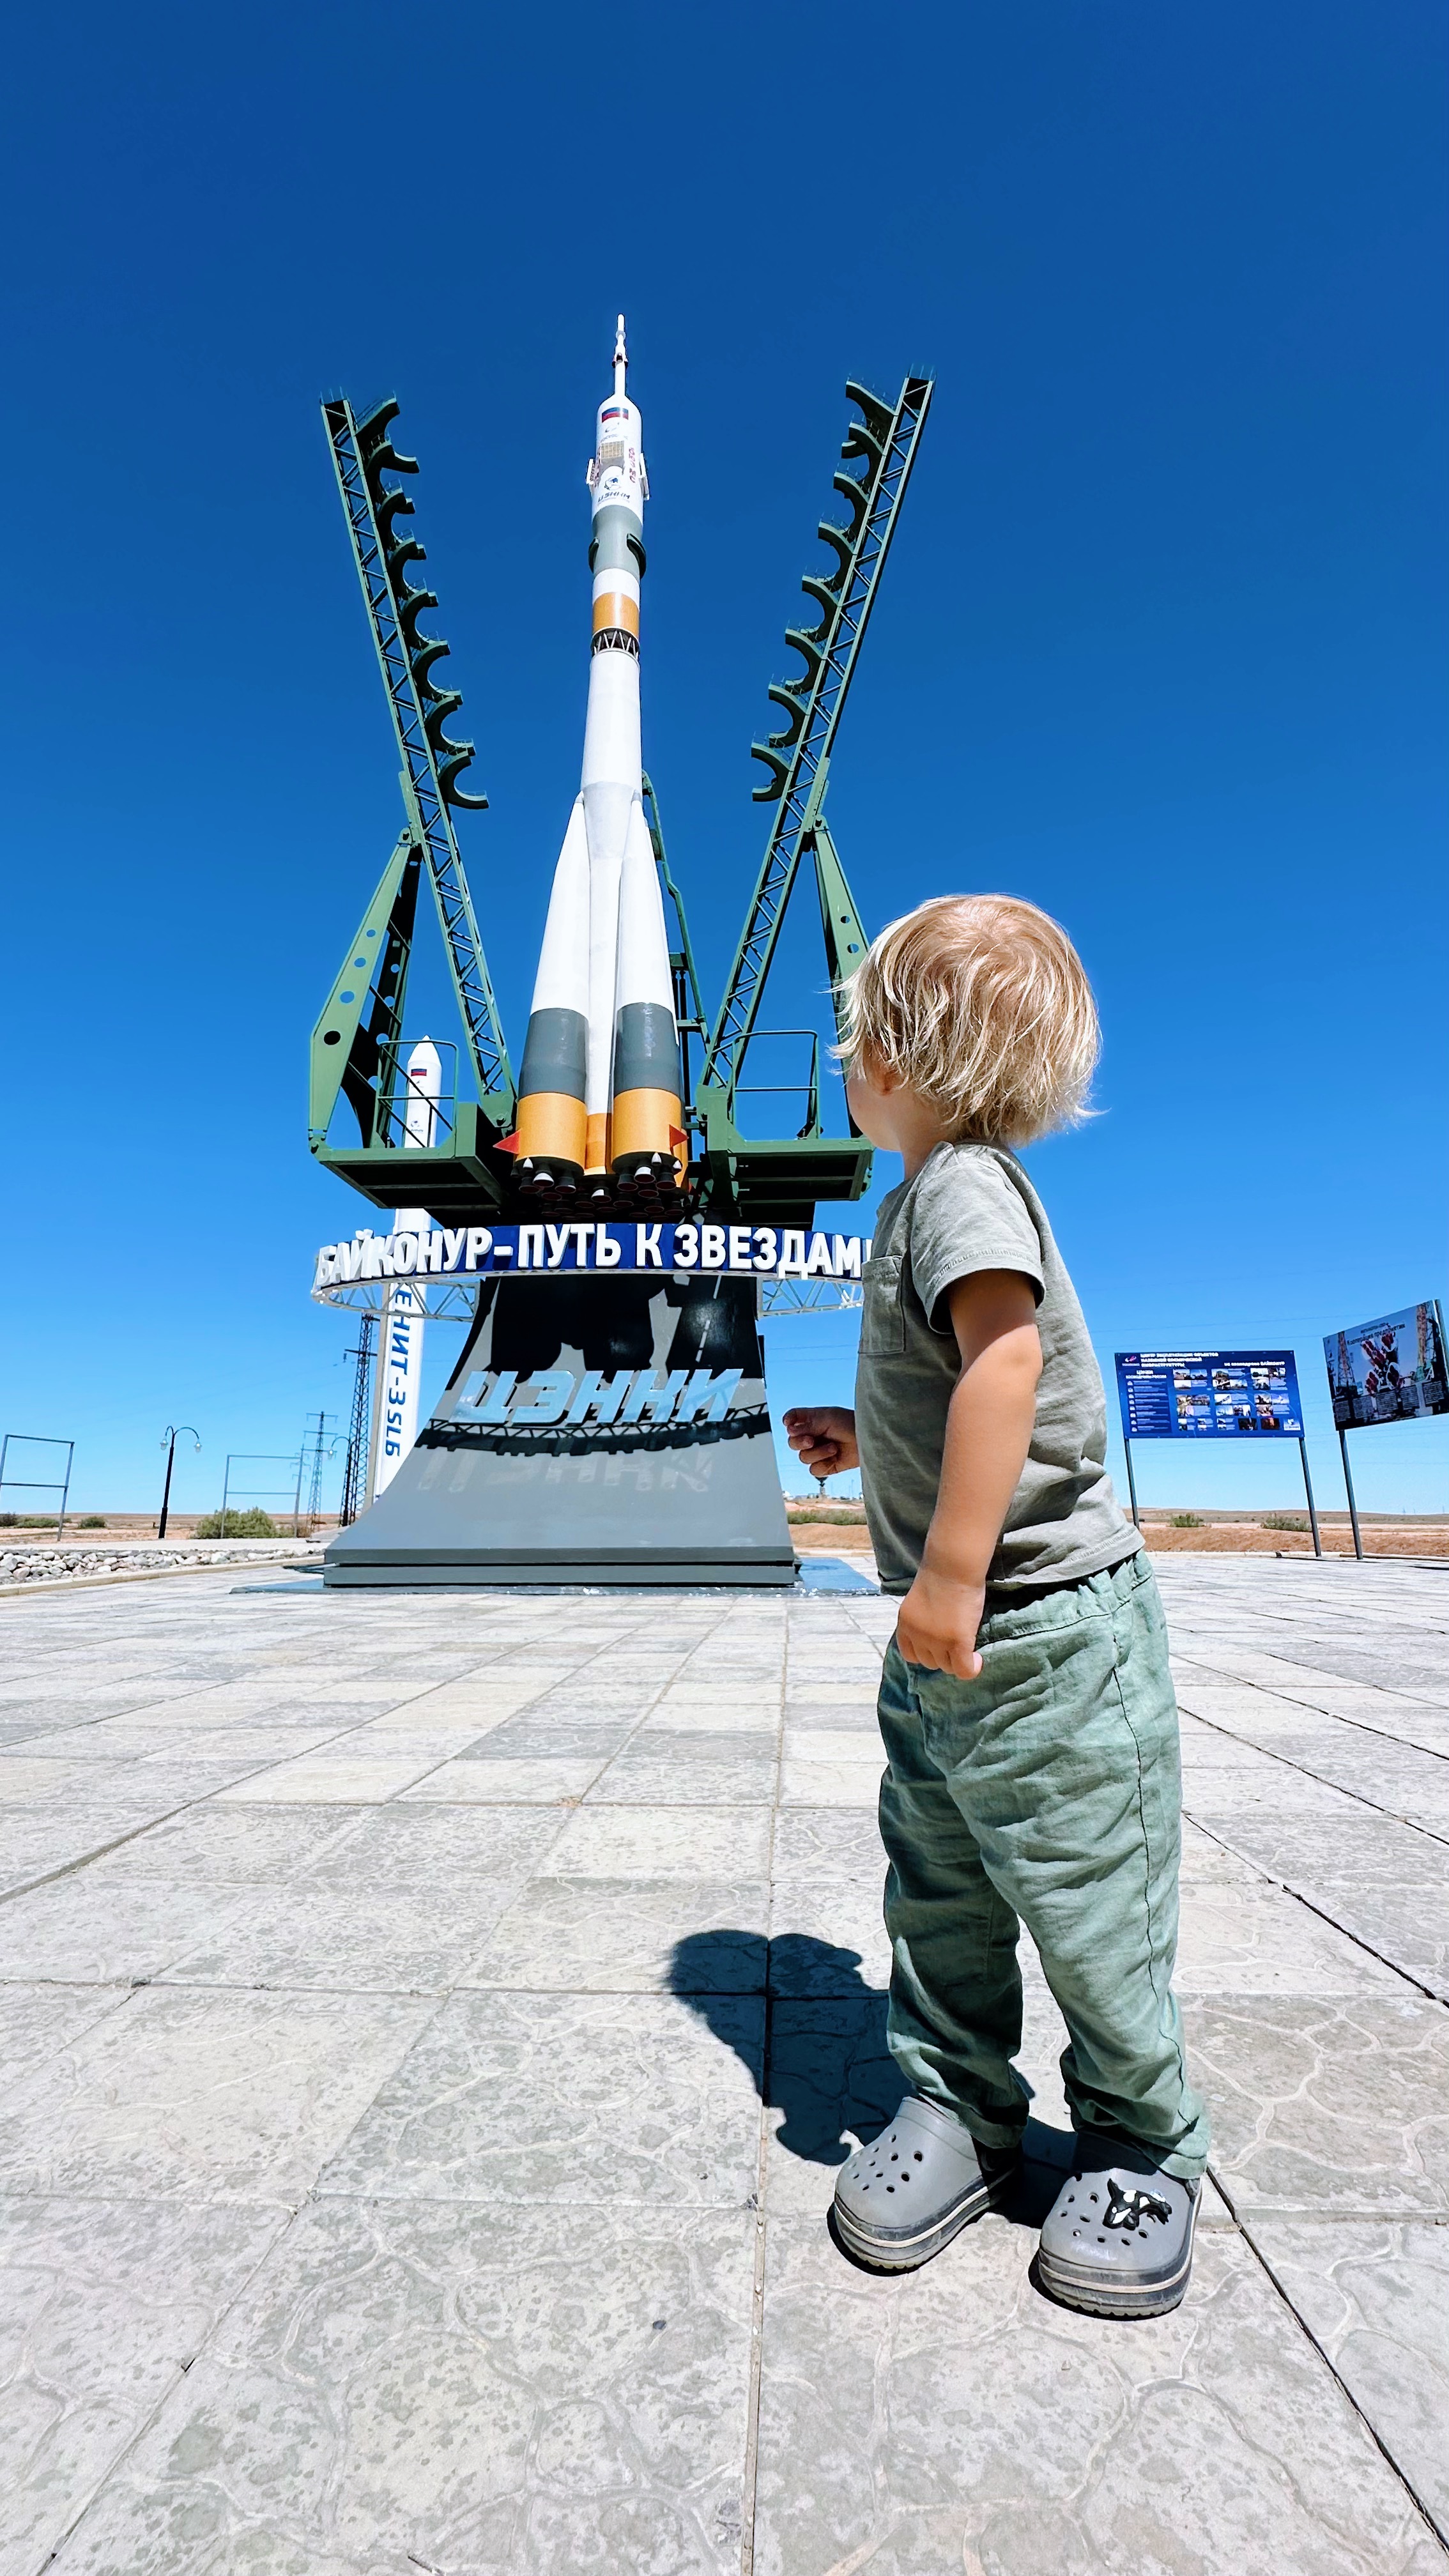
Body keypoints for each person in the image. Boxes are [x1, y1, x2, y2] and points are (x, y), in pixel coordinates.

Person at [785, 893, 1208, 2319]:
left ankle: (1141, 2141)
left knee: (1089, 1899)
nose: (843, 1067)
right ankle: (963, 2107)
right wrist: (869, 1438)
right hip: (952, 1646)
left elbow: (1006, 1368)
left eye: (852, 1042)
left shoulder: (962, 1186)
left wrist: (954, 1570)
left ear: (899, 1057)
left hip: (1043, 1634)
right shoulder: (924, 1204)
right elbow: (953, 1386)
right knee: (943, 1891)